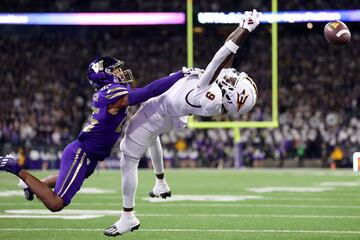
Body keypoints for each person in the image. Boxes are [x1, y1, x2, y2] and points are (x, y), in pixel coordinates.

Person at [104, 9, 261, 237]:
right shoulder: (219, 95)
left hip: (159, 112)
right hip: (172, 114)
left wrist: (246, 29)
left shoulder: (212, 97)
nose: (232, 76)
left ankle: (128, 217)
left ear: (231, 94)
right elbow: (228, 56)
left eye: (234, 81)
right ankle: (161, 184)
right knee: (152, 137)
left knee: (128, 155)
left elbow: (218, 59)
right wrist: (240, 27)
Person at [0, 56, 189, 212]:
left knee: (67, 178)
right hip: (82, 153)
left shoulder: (108, 91)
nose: (120, 72)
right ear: (103, 76)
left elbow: (146, 92)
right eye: (114, 70)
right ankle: (15, 168)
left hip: (89, 155)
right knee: (56, 203)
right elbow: (147, 92)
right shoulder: (111, 93)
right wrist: (179, 75)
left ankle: (31, 185)